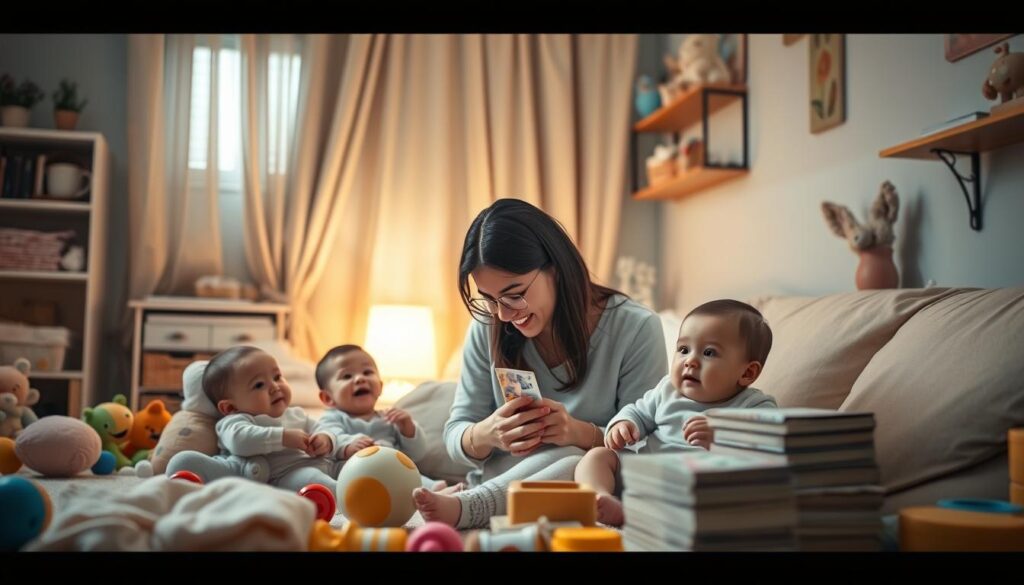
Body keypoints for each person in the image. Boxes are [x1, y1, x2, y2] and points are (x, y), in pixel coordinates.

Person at [412, 198, 667, 528]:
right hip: (503, 482)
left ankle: (469, 508)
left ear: (556, 270)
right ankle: (474, 503)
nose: (504, 314)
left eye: (515, 294)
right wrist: (486, 434)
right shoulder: (487, 328)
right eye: (489, 300)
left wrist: (579, 433)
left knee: (577, 459)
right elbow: (456, 432)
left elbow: (648, 448)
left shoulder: (635, 328)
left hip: (583, 490)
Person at [575, 299, 778, 526]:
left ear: (747, 373)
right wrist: (624, 424)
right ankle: (602, 498)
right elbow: (638, 412)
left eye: (709, 353)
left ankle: (643, 516)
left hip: (695, 488)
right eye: (683, 349)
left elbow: (772, 442)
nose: (690, 361)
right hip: (644, 473)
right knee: (597, 457)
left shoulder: (753, 405)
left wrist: (724, 436)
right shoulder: (667, 390)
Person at [170, 345, 340, 492]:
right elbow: (240, 441)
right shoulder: (234, 422)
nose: (275, 387)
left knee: (322, 474)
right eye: (259, 385)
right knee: (183, 460)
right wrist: (282, 437)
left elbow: (323, 427)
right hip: (240, 472)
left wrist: (325, 439)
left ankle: (343, 489)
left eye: (277, 377)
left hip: (293, 471)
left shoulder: (296, 414)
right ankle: (188, 486)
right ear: (230, 407)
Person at [314, 343, 458, 492]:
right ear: (327, 397)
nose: (359, 379)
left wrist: (408, 428)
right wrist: (349, 445)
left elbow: (417, 454)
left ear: (381, 387)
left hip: (393, 473)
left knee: (407, 472)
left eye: (367, 372)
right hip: (355, 476)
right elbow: (329, 437)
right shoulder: (333, 418)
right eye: (347, 376)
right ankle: (430, 490)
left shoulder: (389, 419)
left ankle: (433, 489)